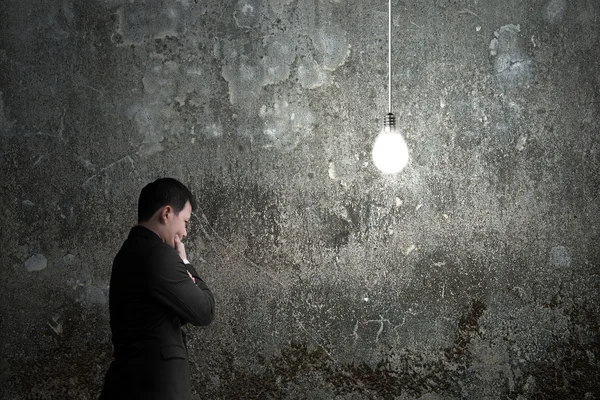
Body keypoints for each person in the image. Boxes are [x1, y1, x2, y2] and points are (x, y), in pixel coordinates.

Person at [99, 178, 215, 400]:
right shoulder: (158, 255)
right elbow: (204, 311)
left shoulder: (127, 253)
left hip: (130, 381)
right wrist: (185, 263)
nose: (185, 232)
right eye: (185, 221)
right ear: (167, 213)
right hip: (156, 386)